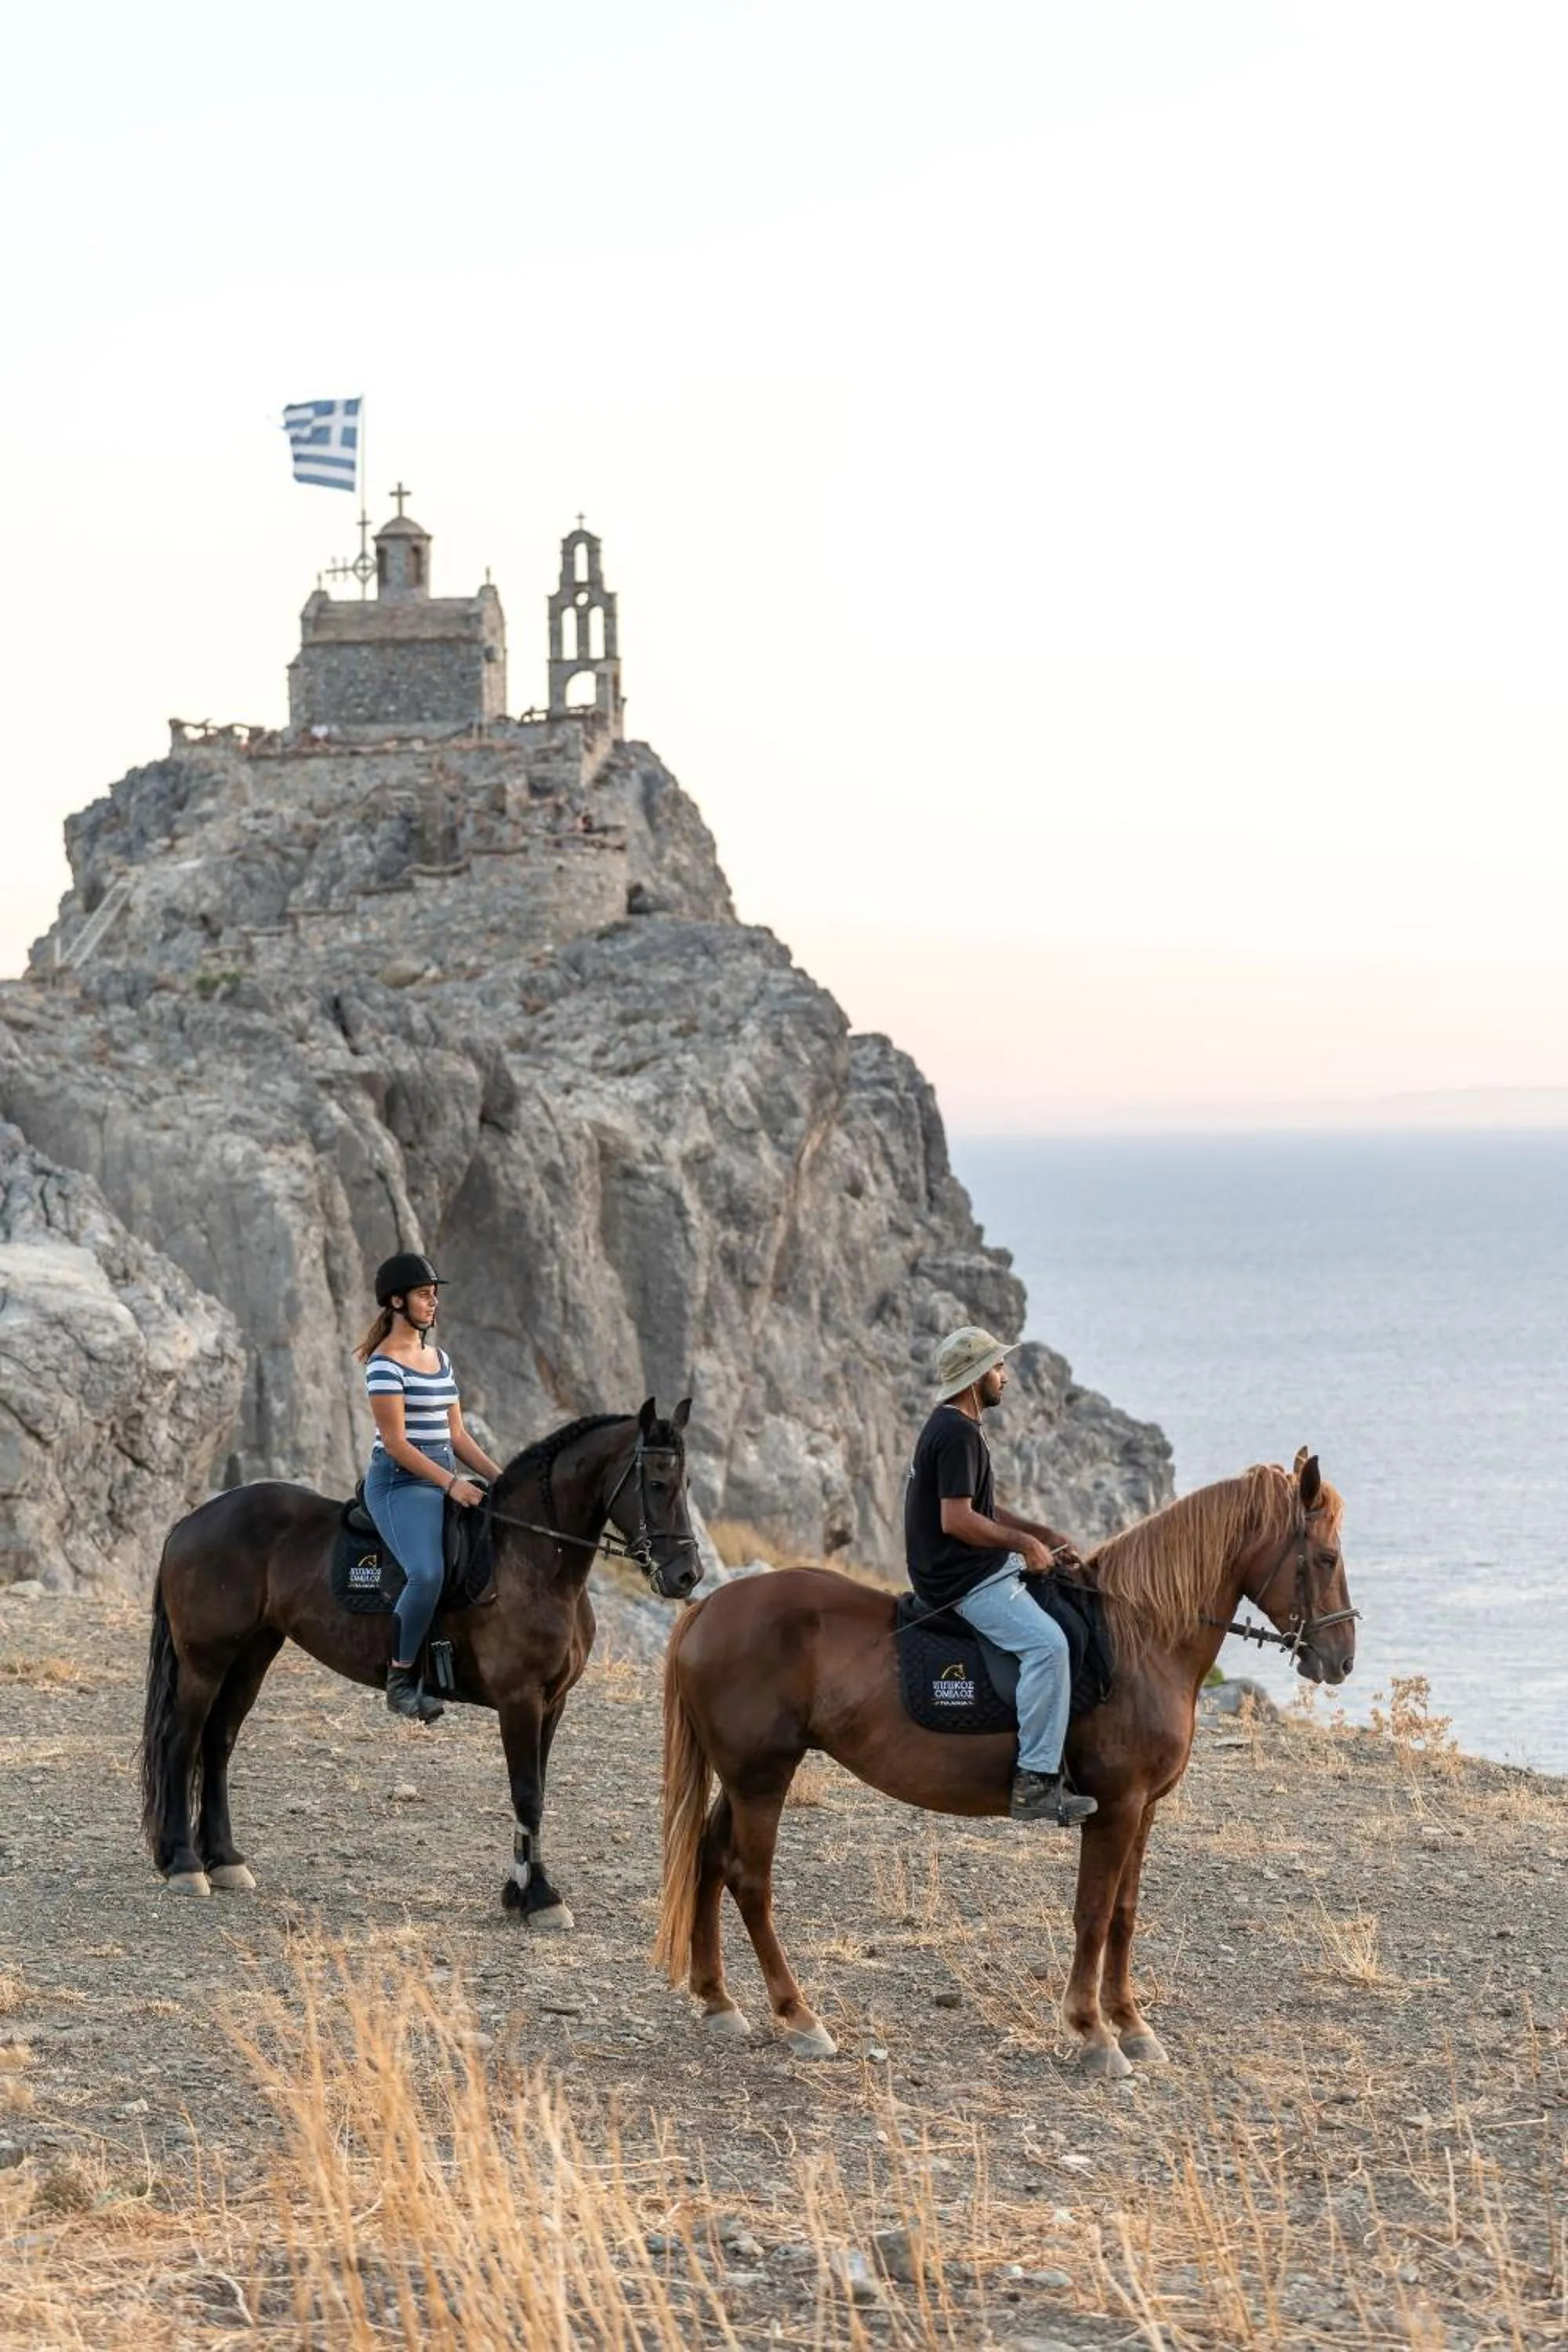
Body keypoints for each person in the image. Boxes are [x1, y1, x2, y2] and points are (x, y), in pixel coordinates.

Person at [905, 1326, 1098, 1828]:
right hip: (960, 1582)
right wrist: (1021, 1545)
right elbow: (957, 1520)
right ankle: (1035, 1780)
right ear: (975, 1379)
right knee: (1048, 1646)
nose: (1004, 1376)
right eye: (996, 1367)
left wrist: (1043, 1534)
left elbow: (984, 1506)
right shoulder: (957, 1433)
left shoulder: (955, 1426)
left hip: (970, 1568)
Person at [354, 1252, 502, 1722]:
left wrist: (502, 1480)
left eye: (434, 1293)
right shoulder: (384, 1364)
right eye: (423, 1294)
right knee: (427, 1574)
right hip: (401, 1482)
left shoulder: (440, 1359)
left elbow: (456, 1436)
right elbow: (396, 1443)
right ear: (397, 1301)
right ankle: (400, 1678)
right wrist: (452, 1484)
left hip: (439, 1472)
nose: (432, 1301)